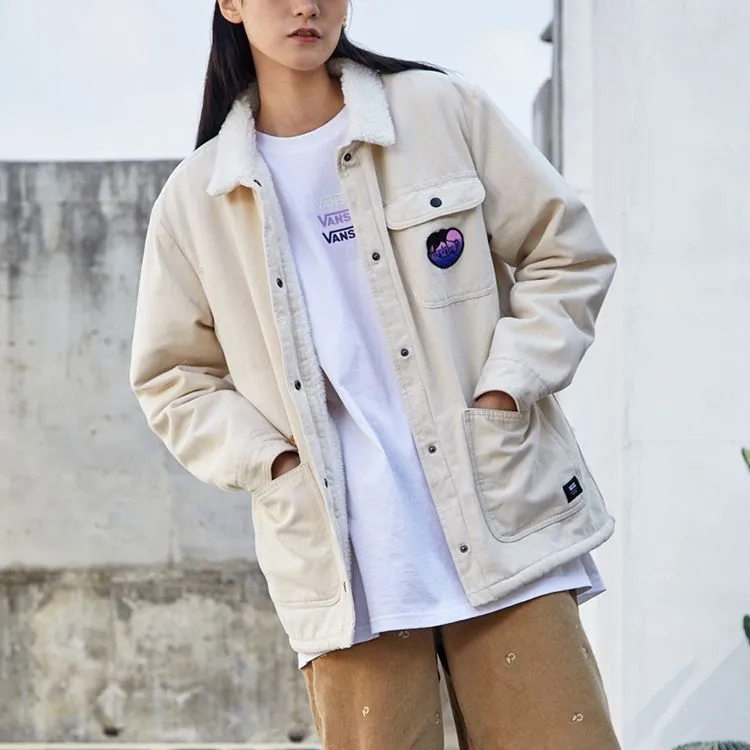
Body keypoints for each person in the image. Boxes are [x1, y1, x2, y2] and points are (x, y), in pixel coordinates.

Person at [129, 1, 621, 747]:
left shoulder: (439, 111)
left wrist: (506, 386)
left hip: (502, 520)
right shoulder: (196, 201)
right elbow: (173, 379)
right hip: (348, 568)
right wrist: (277, 463)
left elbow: (567, 253)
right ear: (229, 4)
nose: (306, 6)